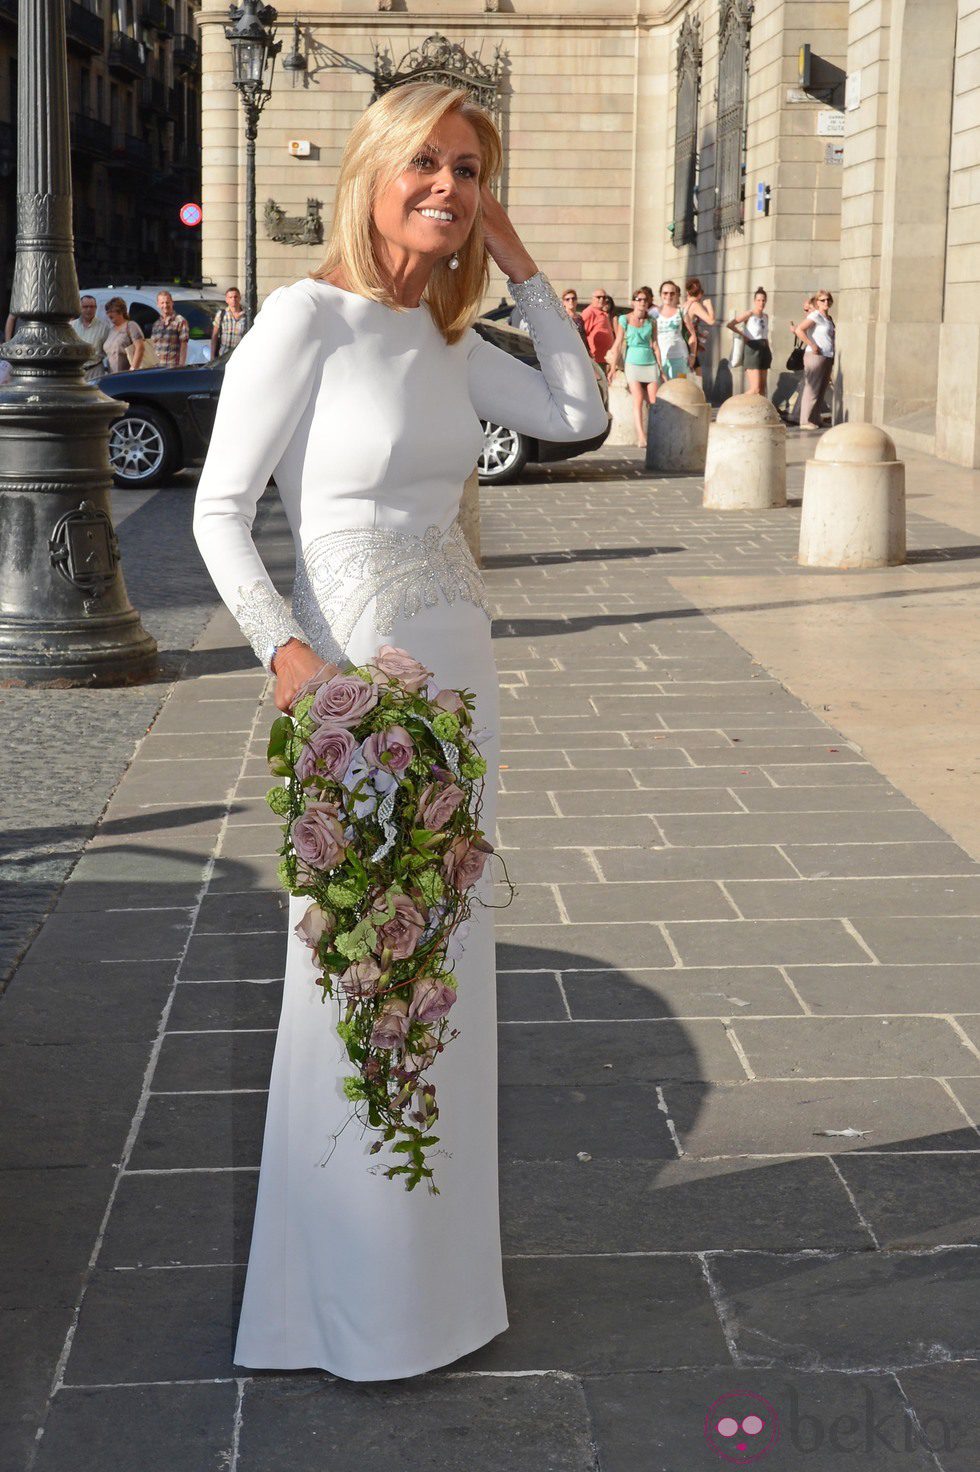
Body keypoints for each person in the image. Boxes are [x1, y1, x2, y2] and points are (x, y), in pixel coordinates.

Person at [192, 81, 605, 1381]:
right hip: (354, 693)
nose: (447, 185)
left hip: (460, 681)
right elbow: (217, 508)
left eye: (470, 167)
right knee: (362, 977)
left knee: (447, 976)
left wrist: (523, 266)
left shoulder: (449, 337)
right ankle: (347, 1300)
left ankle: (431, 1292)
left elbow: (582, 417)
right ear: (371, 171)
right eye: (424, 161)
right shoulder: (305, 321)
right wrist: (289, 655)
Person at [610, 286, 659, 446]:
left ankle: (654, 434)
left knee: (653, 400)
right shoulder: (624, 319)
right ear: (633, 302)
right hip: (632, 362)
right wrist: (612, 368)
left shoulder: (652, 321)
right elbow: (618, 344)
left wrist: (661, 368)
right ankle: (641, 436)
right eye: (639, 299)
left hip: (649, 361)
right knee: (638, 399)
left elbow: (655, 345)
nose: (642, 303)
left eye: (645, 300)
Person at [796, 289, 836, 429]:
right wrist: (812, 344)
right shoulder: (815, 315)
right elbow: (799, 329)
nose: (826, 302)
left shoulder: (828, 318)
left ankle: (815, 418)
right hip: (815, 356)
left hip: (827, 355)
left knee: (821, 389)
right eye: (822, 300)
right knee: (812, 388)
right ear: (817, 302)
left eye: (828, 300)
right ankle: (805, 421)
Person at [728, 286, 772, 396]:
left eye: (763, 300)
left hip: (764, 348)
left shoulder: (766, 316)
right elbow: (730, 324)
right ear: (754, 301)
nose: (761, 303)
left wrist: (768, 350)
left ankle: (759, 412)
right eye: (758, 300)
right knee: (755, 388)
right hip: (752, 348)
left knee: (762, 389)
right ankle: (736, 404)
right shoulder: (749, 314)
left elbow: (765, 334)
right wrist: (743, 335)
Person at [652, 279, 690, 380]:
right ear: (660, 294)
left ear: (676, 294)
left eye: (672, 293)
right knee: (660, 391)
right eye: (665, 293)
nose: (668, 296)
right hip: (659, 359)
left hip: (680, 358)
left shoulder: (681, 311)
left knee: (680, 388)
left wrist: (693, 355)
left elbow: (692, 335)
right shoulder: (654, 313)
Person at [70, 294, 110, 381]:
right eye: (85, 307)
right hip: (76, 372)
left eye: (92, 307)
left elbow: (109, 351)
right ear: (79, 308)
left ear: (96, 308)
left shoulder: (104, 327)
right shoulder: (71, 326)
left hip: (96, 371)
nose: (89, 310)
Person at [684, 277, 716, 377]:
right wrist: (709, 305)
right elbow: (711, 321)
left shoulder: (684, 304)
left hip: (686, 341)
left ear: (687, 292)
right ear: (700, 293)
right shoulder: (695, 305)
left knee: (689, 372)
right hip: (690, 343)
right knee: (696, 375)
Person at [103, 296, 144, 372]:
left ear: (120, 311)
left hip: (126, 375)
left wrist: (133, 370)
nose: (109, 315)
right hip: (112, 375)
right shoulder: (111, 330)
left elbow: (140, 348)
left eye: (112, 311)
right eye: (107, 312)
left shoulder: (130, 325)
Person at [150, 290, 189, 368]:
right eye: (162, 303)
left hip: (172, 368)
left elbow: (184, 345)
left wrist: (181, 365)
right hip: (157, 368)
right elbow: (153, 346)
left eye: (167, 302)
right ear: (158, 304)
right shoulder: (156, 324)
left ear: (172, 303)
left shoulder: (180, 321)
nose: (165, 305)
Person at [582, 286, 615, 373]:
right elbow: (582, 333)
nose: (602, 299)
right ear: (592, 299)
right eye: (598, 297)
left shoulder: (602, 312)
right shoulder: (589, 312)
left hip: (605, 358)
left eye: (604, 297)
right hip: (595, 358)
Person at [210, 285, 248, 359]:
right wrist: (212, 357)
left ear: (239, 298)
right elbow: (214, 336)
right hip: (224, 355)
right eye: (230, 297)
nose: (233, 299)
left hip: (241, 356)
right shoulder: (221, 314)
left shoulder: (247, 315)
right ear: (227, 300)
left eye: (235, 297)